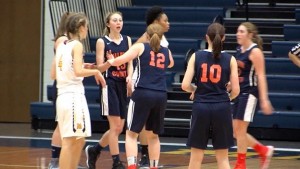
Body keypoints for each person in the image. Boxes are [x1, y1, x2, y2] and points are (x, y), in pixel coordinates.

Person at [105, 23, 171, 169]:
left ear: (146, 35)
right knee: (154, 136)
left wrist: (110, 60)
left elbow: (120, 60)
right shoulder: (166, 51)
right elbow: (171, 63)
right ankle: (153, 166)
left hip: (143, 92)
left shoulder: (140, 47)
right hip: (160, 94)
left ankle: (132, 166)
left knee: (131, 134)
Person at [181, 22, 240, 169]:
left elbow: (184, 85)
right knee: (223, 159)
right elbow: (236, 90)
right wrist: (228, 98)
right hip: (222, 107)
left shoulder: (196, 56)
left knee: (195, 158)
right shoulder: (231, 59)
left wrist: (195, 89)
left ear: (206, 37)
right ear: (224, 38)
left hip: (201, 106)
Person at [51, 12, 106, 169]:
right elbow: (77, 72)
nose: (87, 30)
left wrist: (82, 66)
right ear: (81, 27)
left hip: (63, 96)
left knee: (79, 139)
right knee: (69, 141)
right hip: (73, 96)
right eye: (86, 27)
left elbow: (53, 73)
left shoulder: (61, 45)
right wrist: (95, 71)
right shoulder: (77, 45)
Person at [85, 11, 132, 169]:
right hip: (109, 84)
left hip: (122, 84)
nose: (119, 22)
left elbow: (130, 63)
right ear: (108, 24)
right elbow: (99, 67)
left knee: (119, 128)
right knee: (115, 126)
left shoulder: (127, 40)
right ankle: (116, 162)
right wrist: (110, 63)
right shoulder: (102, 41)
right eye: (115, 20)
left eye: (120, 20)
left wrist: (130, 77)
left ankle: (94, 150)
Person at [132, 6, 174, 168]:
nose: (168, 23)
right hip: (141, 82)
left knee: (149, 126)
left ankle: (147, 157)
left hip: (154, 84)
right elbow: (131, 56)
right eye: (165, 20)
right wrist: (130, 78)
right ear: (157, 22)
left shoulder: (162, 39)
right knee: (140, 124)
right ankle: (144, 156)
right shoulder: (145, 38)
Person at [232, 22, 274, 169]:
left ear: (250, 34)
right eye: (237, 31)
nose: (238, 34)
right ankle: (263, 150)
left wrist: (264, 99)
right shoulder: (239, 50)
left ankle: (241, 164)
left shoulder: (255, 52)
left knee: (240, 130)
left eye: (241, 31)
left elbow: (261, 76)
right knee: (235, 131)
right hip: (239, 92)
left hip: (250, 93)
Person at [48, 11, 70, 169]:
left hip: (69, 85)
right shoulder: (63, 40)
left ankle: (66, 162)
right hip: (62, 86)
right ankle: (54, 162)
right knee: (60, 125)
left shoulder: (70, 40)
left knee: (67, 126)